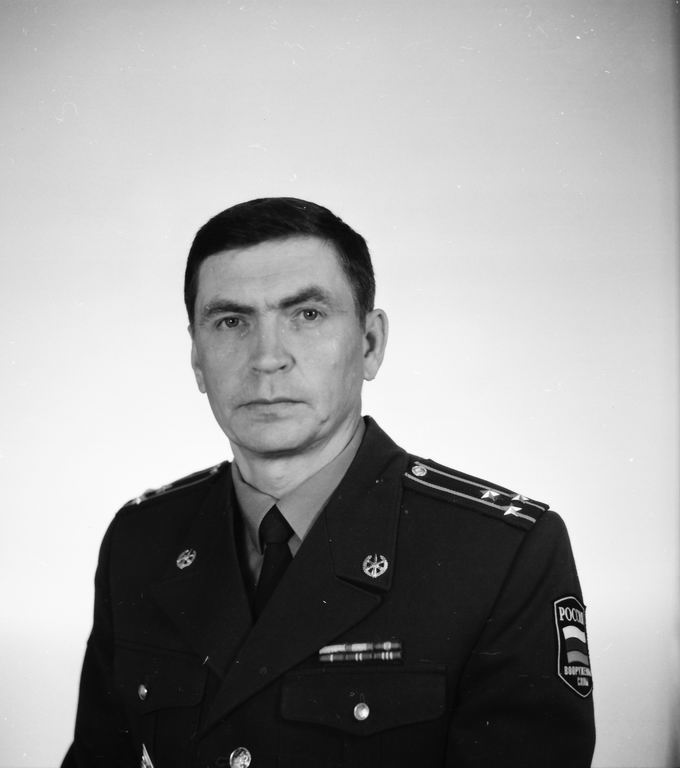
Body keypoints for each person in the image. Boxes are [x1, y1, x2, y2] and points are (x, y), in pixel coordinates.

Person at [62, 197, 595, 768]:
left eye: (307, 315)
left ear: (370, 344)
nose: (267, 358)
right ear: (197, 357)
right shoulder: (142, 542)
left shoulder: (500, 555)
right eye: (231, 322)